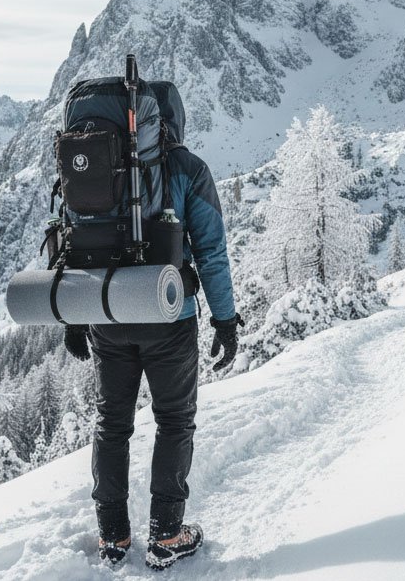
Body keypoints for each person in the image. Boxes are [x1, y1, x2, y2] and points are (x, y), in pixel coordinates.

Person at [63, 140, 242, 571]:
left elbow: (74, 240)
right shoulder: (186, 167)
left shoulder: (93, 155)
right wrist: (224, 320)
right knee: (174, 421)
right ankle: (166, 534)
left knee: (112, 424)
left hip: (107, 312)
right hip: (169, 315)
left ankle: (113, 535)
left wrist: (74, 315)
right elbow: (211, 250)